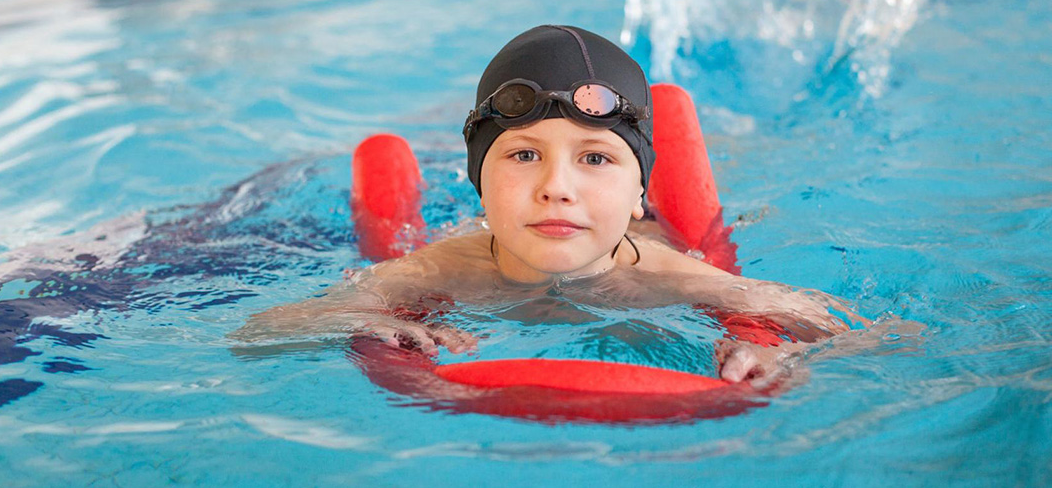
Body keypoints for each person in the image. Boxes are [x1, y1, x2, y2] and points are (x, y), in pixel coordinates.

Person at [236, 25, 869, 384]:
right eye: (523, 155)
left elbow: (880, 337)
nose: (556, 187)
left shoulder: (665, 273)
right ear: (478, 181)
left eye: (596, 158)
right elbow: (256, 336)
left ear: (638, 193)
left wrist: (781, 351)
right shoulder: (445, 269)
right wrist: (369, 322)